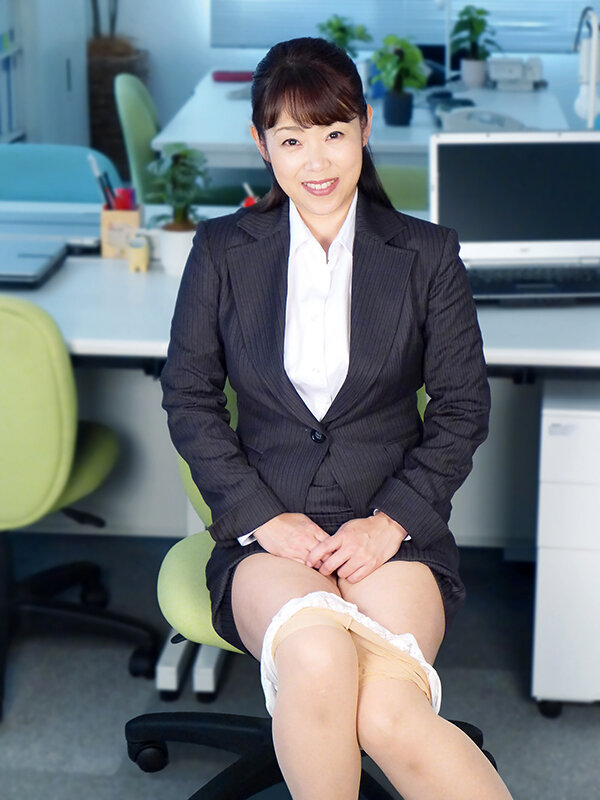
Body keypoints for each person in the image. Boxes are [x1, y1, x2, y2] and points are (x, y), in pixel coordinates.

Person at [161, 36, 513, 800]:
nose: (316, 161)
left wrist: (392, 521)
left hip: (394, 535)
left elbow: (462, 406)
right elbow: (188, 396)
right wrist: (262, 518)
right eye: (291, 139)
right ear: (262, 144)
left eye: (334, 132)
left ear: (364, 130)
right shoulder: (222, 251)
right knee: (317, 657)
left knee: (387, 712)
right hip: (267, 535)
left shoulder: (426, 254)